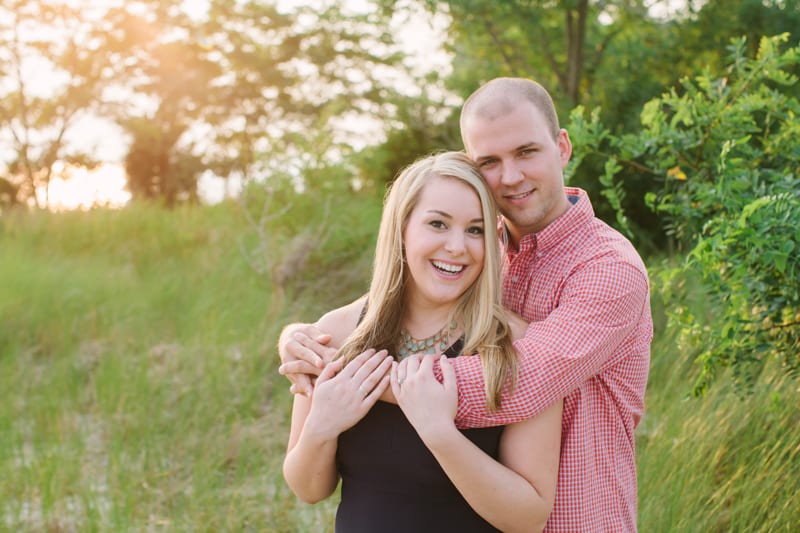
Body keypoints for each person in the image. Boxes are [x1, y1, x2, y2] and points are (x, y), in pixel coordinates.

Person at [280, 77, 653, 532]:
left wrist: (348, 374)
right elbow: (386, 301)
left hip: (578, 521)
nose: (511, 176)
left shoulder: (608, 269)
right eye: (490, 162)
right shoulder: (482, 253)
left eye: (527, 152)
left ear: (562, 147)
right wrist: (301, 338)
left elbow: (523, 382)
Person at [282, 151, 563, 532]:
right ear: (402, 228)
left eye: (475, 230)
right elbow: (309, 489)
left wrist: (440, 435)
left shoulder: (517, 348)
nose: (456, 246)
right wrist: (321, 426)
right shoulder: (339, 333)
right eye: (438, 224)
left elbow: (528, 517)